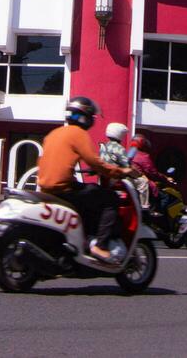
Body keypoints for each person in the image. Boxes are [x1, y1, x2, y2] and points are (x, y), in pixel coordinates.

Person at [37, 97, 133, 261]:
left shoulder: (54, 133)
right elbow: (94, 160)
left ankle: (84, 237)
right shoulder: (78, 134)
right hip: (64, 190)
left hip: (46, 189)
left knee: (89, 195)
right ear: (85, 117)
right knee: (110, 199)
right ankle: (100, 246)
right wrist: (120, 172)